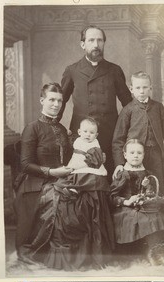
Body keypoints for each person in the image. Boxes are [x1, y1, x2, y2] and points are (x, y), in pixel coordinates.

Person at [14, 83, 114, 270]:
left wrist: (94, 156)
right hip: (36, 183)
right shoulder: (32, 128)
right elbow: (25, 165)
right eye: (51, 99)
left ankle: (89, 254)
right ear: (42, 100)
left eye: (59, 100)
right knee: (65, 202)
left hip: (62, 178)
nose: (56, 104)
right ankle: (56, 255)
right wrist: (52, 172)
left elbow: (72, 158)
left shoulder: (61, 129)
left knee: (88, 197)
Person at [60, 25, 132, 179]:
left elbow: (128, 103)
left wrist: (130, 131)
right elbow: (61, 101)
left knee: (109, 179)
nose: (96, 44)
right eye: (91, 40)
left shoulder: (114, 70)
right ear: (83, 44)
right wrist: (55, 128)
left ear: (104, 43)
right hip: (81, 136)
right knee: (82, 180)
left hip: (109, 135)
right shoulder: (72, 70)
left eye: (99, 40)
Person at [112, 71, 164, 195]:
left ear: (150, 88)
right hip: (134, 157)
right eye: (138, 88)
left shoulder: (158, 108)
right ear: (131, 89)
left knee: (157, 186)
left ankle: (156, 211)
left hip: (155, 156)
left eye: (145, 87)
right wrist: (120, 162)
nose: (141, 91)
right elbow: (118, 139)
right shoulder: (128, 110)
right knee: (135, 187)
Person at [110, 139, 164, 266]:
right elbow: (112, 196)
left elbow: (149, 193)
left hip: (144, 206)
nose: (135, 155)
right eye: (132, 152)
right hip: (126, 208)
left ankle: (157, 251)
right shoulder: (122, 174)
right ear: (125, 155)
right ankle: (151, 252)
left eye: (139, 153)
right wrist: (126, 201)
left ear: (144, 155)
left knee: (158, 216)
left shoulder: (147, 173)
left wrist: (146, 187)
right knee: (142, 219)